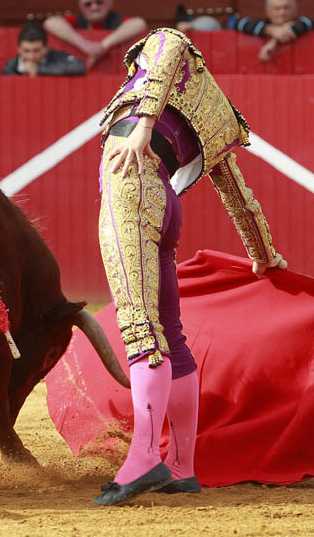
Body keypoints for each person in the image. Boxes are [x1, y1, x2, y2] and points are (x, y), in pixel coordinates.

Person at [92, 27, 286, 506]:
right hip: (164, 200)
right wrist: (265, 256)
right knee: (171, 336)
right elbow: (240, 197)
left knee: (140, 326)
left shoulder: (167, 48)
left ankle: (143, 460)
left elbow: (171, 42)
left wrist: (141, 124)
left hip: (132, 186)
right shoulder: (217, 115)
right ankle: (182, 467)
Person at [43, 0, 148, 67]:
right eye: (88, 4)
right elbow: (50, 22)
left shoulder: (117, 19)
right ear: (80, 5)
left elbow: (139, 23)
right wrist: (84, 44)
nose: (94, 7)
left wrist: (102, 46)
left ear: (110, 1)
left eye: (99, 2)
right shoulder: (77, 19)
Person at [233, 0, 314, 62]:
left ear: (295, 9)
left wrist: (274, 41)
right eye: (277, 8)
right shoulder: (262, 24)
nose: (282, 12)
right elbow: (238, 23)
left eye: (286, 8)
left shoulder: (302, 22)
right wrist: (269, 30)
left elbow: (308, 22)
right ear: (267, 10)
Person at [1, 22, 85, 77]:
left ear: (46, 48)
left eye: (36, 50)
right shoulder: (12, 66)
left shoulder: (55, 56)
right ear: (18, 49)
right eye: (26, 51)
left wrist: (39, 69)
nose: (31, 56)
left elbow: (78, 67)